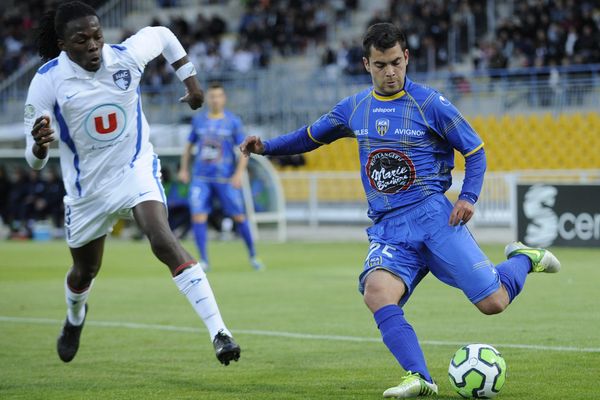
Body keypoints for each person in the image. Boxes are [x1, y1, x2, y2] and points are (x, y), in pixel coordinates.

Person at [241, 23, 560, 398]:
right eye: (380, 65)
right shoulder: (355, 108)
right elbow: (309, 136)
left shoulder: (431, 104)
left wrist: (468, 197)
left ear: (406, 57)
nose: (390, 72)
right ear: (366, 64)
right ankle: (420, 377)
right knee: (377, 291)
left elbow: (475, 152)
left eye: (395, 62)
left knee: (493, 303)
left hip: (435, 218)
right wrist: (266, 147)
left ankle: (523, 258)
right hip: (391, 227)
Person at [24, 1, 240, 366]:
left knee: (162, 238)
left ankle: (220, 333)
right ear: (63, 44)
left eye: (97, 36)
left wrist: (191, 81)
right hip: (86, 190)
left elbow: (165, 37)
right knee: (84, 270)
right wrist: (38, 145)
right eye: (82, 40)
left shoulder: (125, 56)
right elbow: (34, 161)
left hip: (134, 168)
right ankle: (75, 317)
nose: (94, 45)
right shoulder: (47, 81)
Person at [178, 82, 263, 272]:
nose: (215, 99)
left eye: (218, 96)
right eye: (212, 96)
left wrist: (239, 173)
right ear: (208, 99)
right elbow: (188, 146)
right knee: (198, 216)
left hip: (225, 179)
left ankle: (253, 255)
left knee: (239, 217)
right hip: (201, 178)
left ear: (224, 99)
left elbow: (244, 149)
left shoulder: (233, 122)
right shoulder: (199, 121)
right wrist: (184, 169)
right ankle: (204, 259)